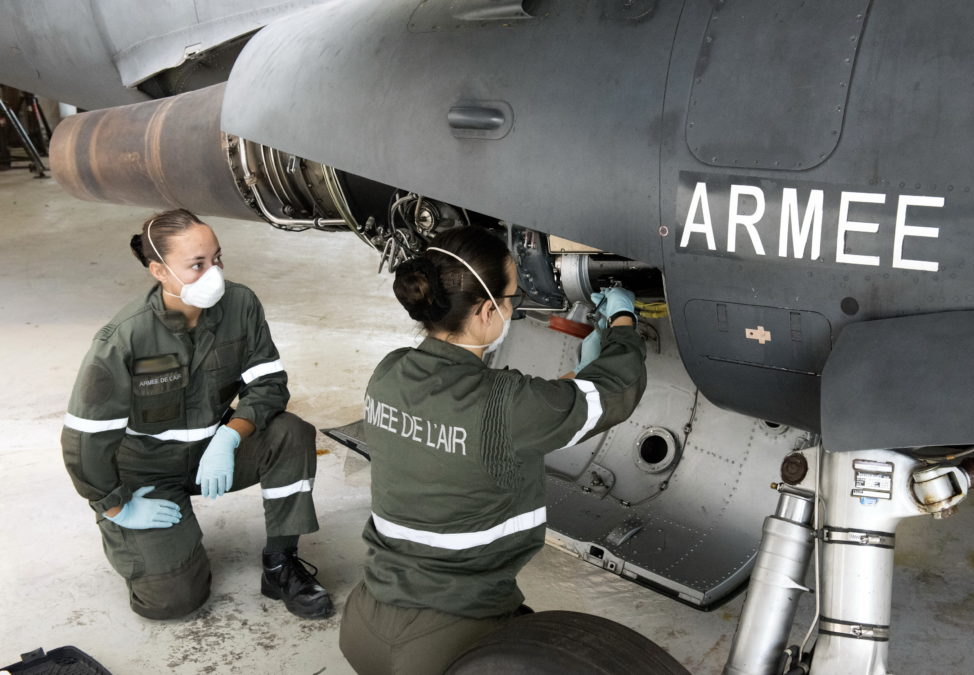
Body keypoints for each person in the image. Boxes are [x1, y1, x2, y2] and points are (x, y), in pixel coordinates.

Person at [338, 226, 647, 674]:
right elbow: (617, 389)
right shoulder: (506, 405)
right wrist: (623, 323)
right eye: (512, 299)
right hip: (447, 645)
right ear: (486, 311)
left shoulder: (388, 373)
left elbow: (491, 416)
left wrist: (572, 381)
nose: (512, 308)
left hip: (365, 620)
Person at [61, 208, 333, 620]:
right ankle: (152, 543)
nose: (214, 274)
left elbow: (269, 385)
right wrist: (114, 505)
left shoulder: (240, 304)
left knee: (290, 432)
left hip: (213, 454)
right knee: (171, 601)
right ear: (159, 270)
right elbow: (85, 437)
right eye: (197, 265)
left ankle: (280, 562)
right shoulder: (125, 338)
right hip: (147, 474)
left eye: (217, 259)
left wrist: (229, 437)